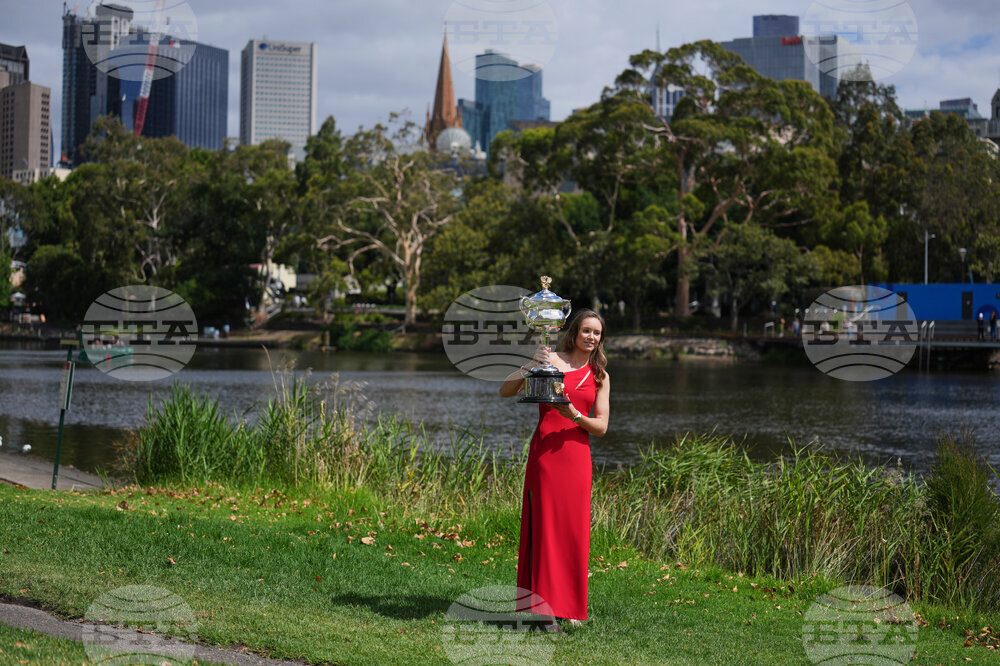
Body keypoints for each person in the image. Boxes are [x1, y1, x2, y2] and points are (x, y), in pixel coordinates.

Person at [499, 309, 611, 629]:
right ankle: (545, 609)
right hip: (546, 456)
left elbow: (601, 427)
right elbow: (506, 391)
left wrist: (574, 414)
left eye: (597, 333)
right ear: (574, 331)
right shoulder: (550, 361)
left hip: (577, 459)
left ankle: (571, 607)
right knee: (547, 531)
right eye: (586, 330)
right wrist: (531, 363)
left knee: (573, 533)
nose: (591, 337)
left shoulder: (600, 375)